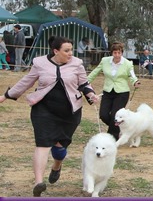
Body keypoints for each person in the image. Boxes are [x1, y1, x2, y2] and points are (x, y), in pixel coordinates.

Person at [0, 36, 100, 197]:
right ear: (55, 51)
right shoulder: (40, 63)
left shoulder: (77, 64)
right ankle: (38, 182)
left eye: (71, 50)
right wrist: (5, 96)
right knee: (43, 143)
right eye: (66, 51)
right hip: (43, 110)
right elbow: (27, 81)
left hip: (70, 112)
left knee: (60, 147)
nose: (70, 54)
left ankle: (57, 166)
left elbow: (84, 84)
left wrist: (91, 95)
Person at [88, 42, 141, 140]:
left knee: (114, 115)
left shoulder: (127, 64)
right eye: (115, 53)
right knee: (103, 115)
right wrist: (85, 82)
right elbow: (95, 72)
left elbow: (132, 75)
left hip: (122, 93)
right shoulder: (105, 61)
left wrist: (135, 82)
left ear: (122, 53)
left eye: (119, 53)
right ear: (111, 53)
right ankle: (120, 128)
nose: (117, 55)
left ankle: (111, 138)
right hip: (108, 91)